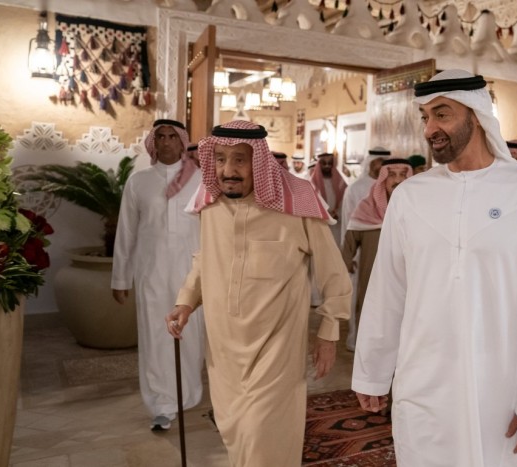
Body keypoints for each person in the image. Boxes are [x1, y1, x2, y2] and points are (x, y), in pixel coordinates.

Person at [352, 69, 517, 466]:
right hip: (422, 385)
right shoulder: (410, 196)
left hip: (502, 391)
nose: (429, 129)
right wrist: (372, 371)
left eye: (442, 114)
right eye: (425, 117)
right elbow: (388, 291)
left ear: (477, 115)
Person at [165, 120, 352, 467]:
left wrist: (328, 332)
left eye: (239, 159)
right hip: (223, 347)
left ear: (260, 161)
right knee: (237, 434)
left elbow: (334, 272)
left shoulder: (297, 199)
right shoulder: (210, 201)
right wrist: (186, 301)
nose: (228, 171)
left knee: (262, 434)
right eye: (220, 159)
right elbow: (206, 259)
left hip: (276, 348)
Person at [111, 119, 205, 431]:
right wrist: (120, 278)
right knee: (154, 336)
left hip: (191, 273)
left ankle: (188, 394)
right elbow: (126, 233)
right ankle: (162, 404)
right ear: (153, 142)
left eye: (172, 137)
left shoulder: (202, 180)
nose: (166, 142)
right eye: (160, 136)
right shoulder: (139, 182)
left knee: (191, 336)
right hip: (150, 272)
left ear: (182, 142)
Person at [342, 158, 412, 350]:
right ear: (383, 179)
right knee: (370, 309)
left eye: (403, 175)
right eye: (392, 175)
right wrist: (346, 262)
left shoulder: (416, 209)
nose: (397, 180)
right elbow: (350, 239)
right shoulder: (366, 209)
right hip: (371, 274)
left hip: (406, 276)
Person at [309, 152, 348, 245]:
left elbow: (345, 201)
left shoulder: (341, 182)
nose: (327, 166)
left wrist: (337, 213)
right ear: (319, 164)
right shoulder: (312, 184)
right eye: (324, 163)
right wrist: (325, 214)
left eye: (330, 163)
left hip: (336, 222)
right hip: (320, 222)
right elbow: (311, 204)